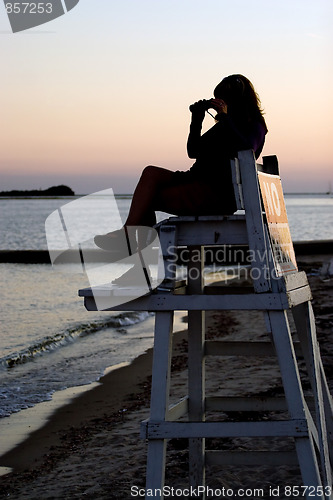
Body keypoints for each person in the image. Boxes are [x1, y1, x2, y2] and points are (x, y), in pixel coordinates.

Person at [94, 74, 268, 265]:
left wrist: (225, 118)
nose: (221, 104)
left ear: (237, 100)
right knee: (150, 173)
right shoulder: (223, 127)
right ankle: (133, 242)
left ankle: (138, 257)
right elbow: (193, 151)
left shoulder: (255, 126)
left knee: (147, 200)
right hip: (195, 180)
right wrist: (197, 119)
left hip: (214, 192)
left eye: (224, 100)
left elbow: (246, 149)